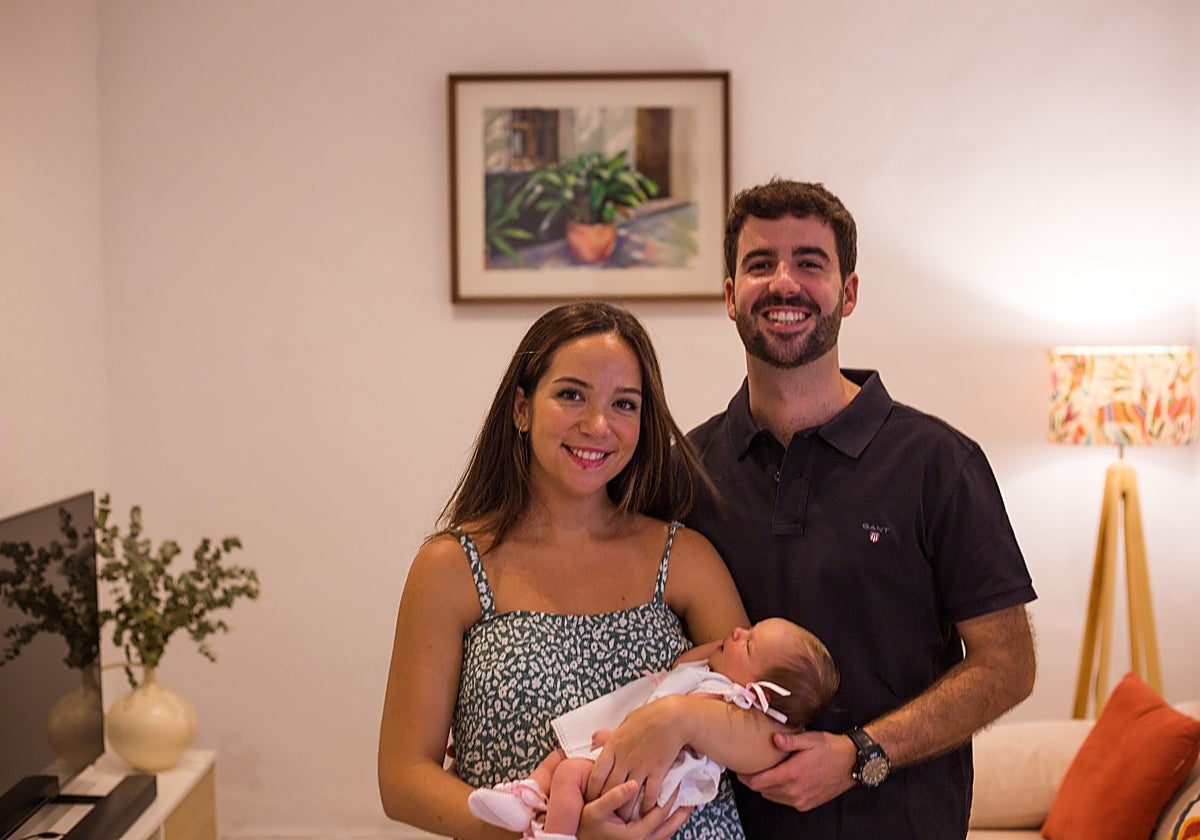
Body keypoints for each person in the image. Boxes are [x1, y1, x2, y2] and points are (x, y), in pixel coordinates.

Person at [586, 180, 1038, 840]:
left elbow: (1007, 665)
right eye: (760, 264)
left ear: (848, 292)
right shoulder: (680, 472)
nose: (784, 283)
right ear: (730, 294)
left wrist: (862, 755)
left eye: (809, 262)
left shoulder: (937, 463)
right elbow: (620, 627)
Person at [378, 301, 756, 840]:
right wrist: (551, 835)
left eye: (624, 404)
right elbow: (403, 779)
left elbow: (764, 731)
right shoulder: (451, 568)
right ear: (521, 409)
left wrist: (683, 719)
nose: (597, 425)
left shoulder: (684, 557)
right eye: (571, 394)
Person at [468, 618, 838, 839]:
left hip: (643, 777)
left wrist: (617, 739)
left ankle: (551, 832)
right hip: (629, 753)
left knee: (568, 775)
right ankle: (528, 794)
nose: (738, 630)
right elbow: (682, 664)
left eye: (750, 643)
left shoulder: (727, 704)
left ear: (763, 692)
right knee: (563, 754)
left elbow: (669, 744)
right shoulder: (711, 677)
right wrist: (724, 648)